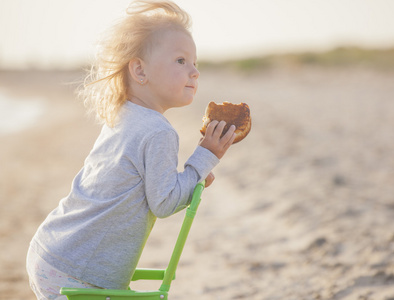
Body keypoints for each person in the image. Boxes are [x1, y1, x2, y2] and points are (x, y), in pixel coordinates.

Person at [26, 1, 236, 299]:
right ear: (139, 70)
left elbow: (148, 189)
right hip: (76, 271)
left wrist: (193, 179)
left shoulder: (126, 115)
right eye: (180, 61)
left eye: (195, 63)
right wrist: (206, 156)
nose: (194, 72)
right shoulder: (158, 131)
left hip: (54, 251)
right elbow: (163, 203)